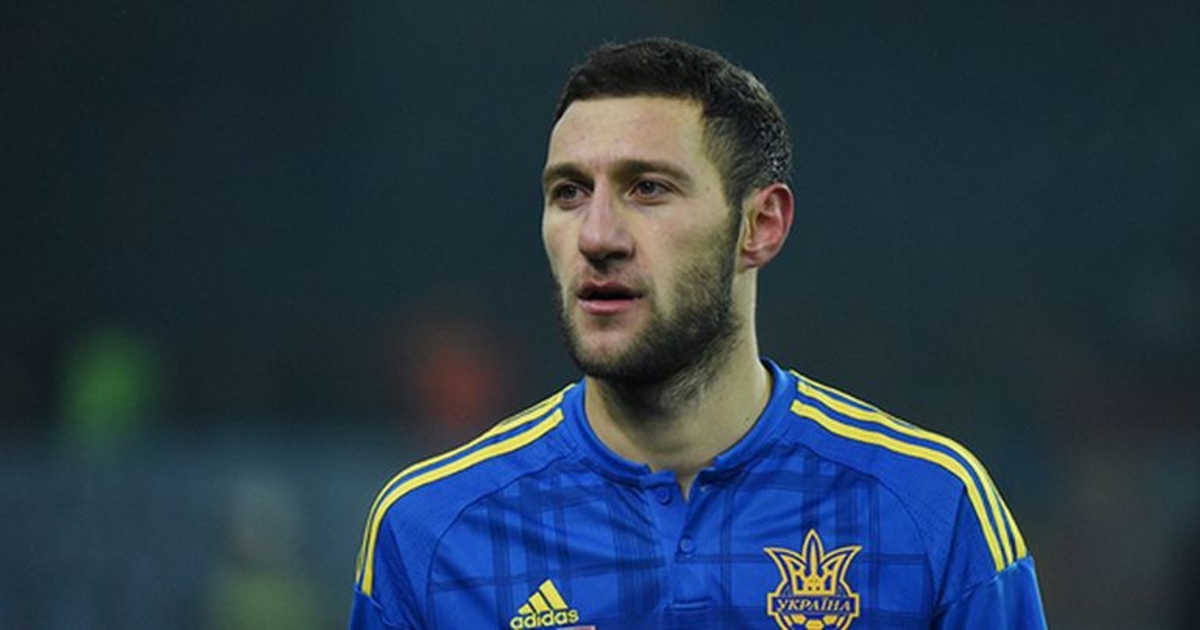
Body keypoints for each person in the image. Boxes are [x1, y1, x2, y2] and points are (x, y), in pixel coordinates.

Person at [350, 37, 1047, 629]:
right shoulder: (431, 531)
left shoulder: (931, 508)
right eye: (569, 192)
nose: (596, 236)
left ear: (760, 226)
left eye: (648, 188)